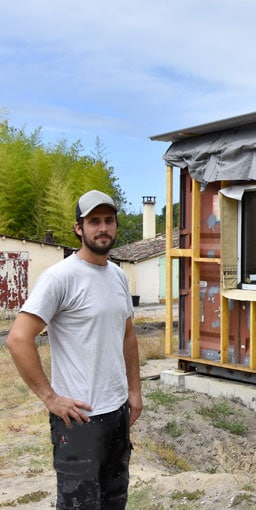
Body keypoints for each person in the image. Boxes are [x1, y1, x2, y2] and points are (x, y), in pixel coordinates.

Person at [6, 189, 142, 509]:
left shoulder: (118, 276)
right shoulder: (60, 277)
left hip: (116, 413)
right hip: (78, 420)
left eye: (109, 220)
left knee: (114, 500)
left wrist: (134, 392)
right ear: (78, 229)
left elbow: (128, 337)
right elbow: (18, 338)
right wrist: (50, 398)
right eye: (94, 221)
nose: (103, 228)